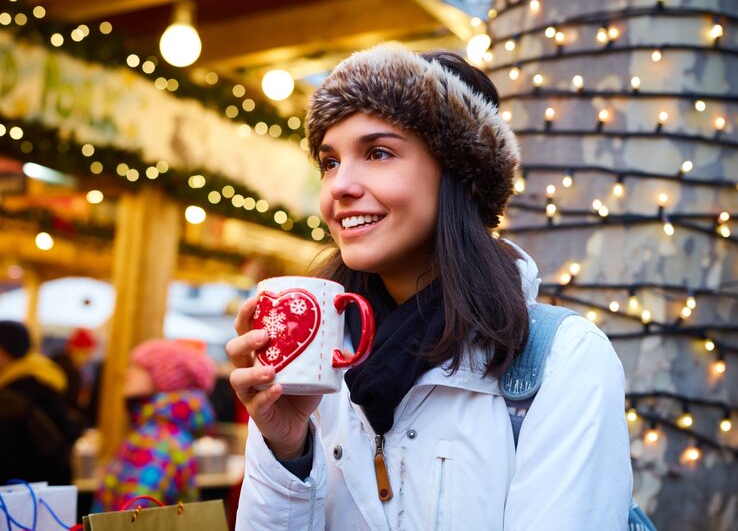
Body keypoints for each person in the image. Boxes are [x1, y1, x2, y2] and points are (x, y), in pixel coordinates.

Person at [227, 43, 632, 529]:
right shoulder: (316, 365)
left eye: (378, 153)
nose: (339, 186)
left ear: (459, 176)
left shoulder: (562, 361)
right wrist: (286, 449)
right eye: (330, 161)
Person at [91, 338, 216, 512]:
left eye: (138, 367)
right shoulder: (166, 430)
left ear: (165, 378)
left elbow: (132, 519)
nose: (127, 373)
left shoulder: (158, 439)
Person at [0, 320, 81, 485]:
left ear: (5, 350)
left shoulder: (16, 391)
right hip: (49, 483)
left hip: (24, 486)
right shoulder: (44, 376)